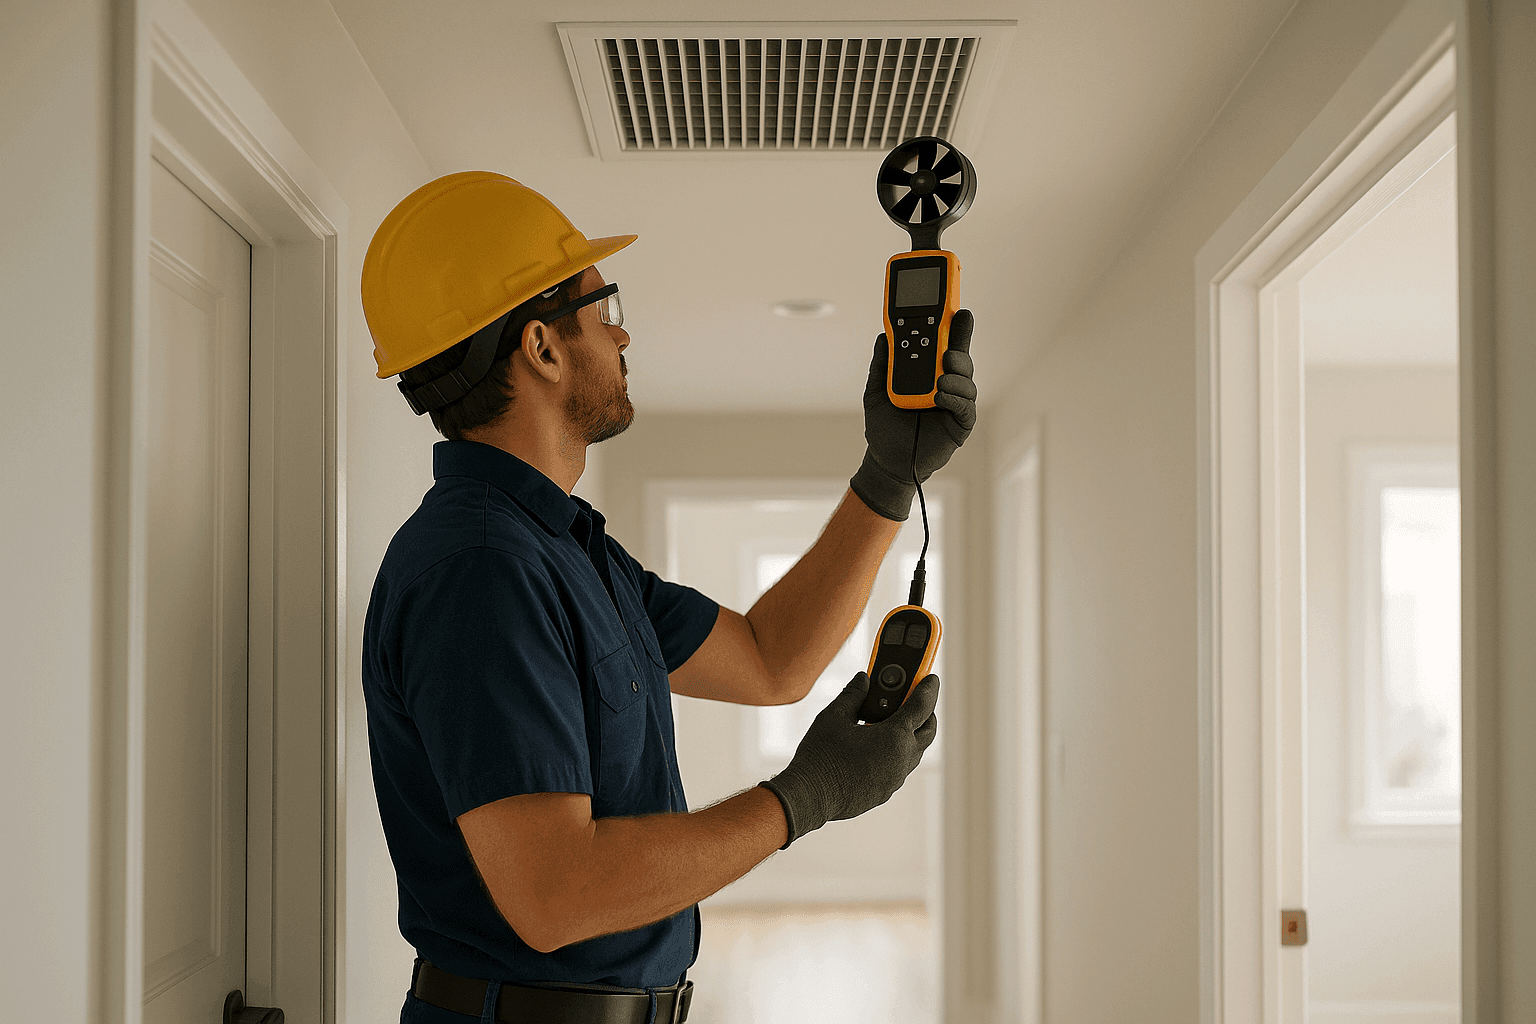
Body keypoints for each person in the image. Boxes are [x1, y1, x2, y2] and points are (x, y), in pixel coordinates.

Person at [359, 171, 979, 1024]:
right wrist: (807, 797)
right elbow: (556, 894)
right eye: (601, 303)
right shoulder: (482, 570)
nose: (622, 328)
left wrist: (888, 475)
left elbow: (770, 660)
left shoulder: (566, 552)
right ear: (541, 348)